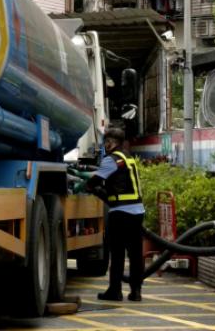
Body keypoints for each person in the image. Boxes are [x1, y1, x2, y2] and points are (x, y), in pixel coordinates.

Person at [84, 128, 145, 302]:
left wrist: (88, 186)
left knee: (117, 254)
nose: (105, 145)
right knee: (135, 254)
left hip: (120, 213)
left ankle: (115, 291)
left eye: (106, 142)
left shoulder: (110, 160)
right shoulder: (128, 158)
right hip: (137, 211)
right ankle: (136, 292)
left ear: (111, 142)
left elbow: (94, 181)